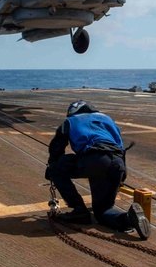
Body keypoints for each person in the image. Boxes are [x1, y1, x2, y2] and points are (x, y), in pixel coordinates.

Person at [45, 101, 150, 239]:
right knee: (103, 211)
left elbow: (56, 149)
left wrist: (51, 168)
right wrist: (121, 177)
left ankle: (79, 211)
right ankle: (128, 218)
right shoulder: (107, 119)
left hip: (94, 159)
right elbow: (121, 149)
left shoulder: (70, 121)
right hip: (117, 164)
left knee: (56, 168)